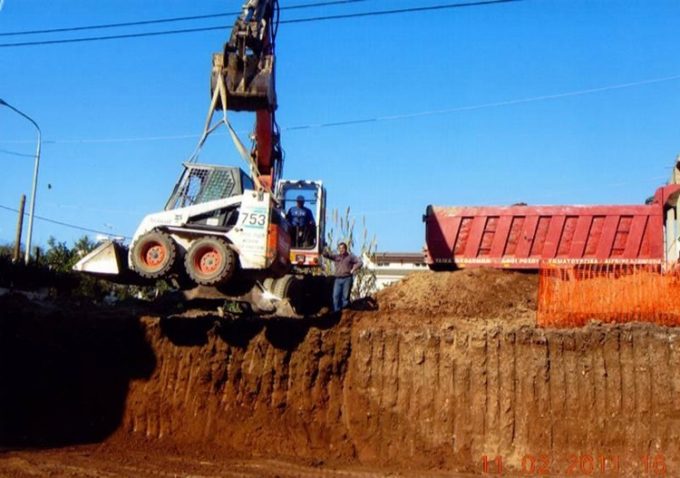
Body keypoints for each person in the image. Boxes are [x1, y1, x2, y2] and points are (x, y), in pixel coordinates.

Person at [323, 242, 363, 312]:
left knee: (345, 298)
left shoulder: (350, 257)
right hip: (338, 280)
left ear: (346, 249)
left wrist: (353, 269)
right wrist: (323, 248)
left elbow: (360, 262)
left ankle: (344, 313)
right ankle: (337, 313)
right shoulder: (336, 257)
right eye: (340, 248)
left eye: (343, 248)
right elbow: (327, 255)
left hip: (347, 279)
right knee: (335, 296)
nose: (341, 250)